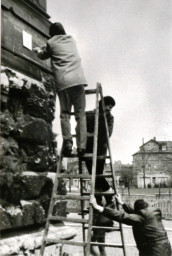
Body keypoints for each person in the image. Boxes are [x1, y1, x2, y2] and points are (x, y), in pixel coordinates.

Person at [33, 22, 87, 156]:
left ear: (51, 33)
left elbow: (43, 55)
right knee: (81, 115)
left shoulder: (51, 43)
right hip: (79, 81)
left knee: (65, 114)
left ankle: (68, 142)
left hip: (64, 83)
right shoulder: (71, 40)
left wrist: (37, 50)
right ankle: (82, 146)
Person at [90, 194, 172, 256]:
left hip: (153, 250)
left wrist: (99, 207)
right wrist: (122, 203)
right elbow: (136, 211)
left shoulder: (141, 217)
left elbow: (121, 216)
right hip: (165, 247)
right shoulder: (154, 212)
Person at [85, 96, 116, 205]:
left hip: (100, 151)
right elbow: (81, 130)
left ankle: (109, 198)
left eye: (110, 107)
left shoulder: (110, 118)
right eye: (107, 105)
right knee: (92, 176)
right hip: (87, 149)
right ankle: (100, 200)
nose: (109, 109)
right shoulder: (88, 114)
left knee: (97, 175)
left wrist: (102, 117)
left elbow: (108, 134)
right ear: (100, 104)